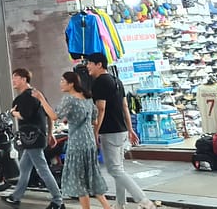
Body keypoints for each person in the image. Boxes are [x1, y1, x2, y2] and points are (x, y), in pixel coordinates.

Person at [86, 53, 157, 209]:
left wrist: (95, 131)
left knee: (114, 169)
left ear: (99, 64)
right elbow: (125, 106)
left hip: (109, 131)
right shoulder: (116, 80)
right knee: (119, 168)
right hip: (121, 130)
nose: (87, 66)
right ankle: (120, 203)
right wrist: (130, 128)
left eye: (89, 63)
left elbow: (101, 108)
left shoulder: (99, 82)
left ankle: (143, 200)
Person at [44, 72, 109, 209]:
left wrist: (41, 99)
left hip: (77, 143)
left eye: (63, 81)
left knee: (79, 181)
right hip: (89, 141)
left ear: (71, 83)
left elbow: (54, 116)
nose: (60, 83)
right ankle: (107, 207)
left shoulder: (69, 99)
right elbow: (94, 120)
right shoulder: (87, 98)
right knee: (92, 176)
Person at [1, 68, 64, 209]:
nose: (13, 80)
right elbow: (49, 115)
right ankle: (15, 197)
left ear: (24, 79)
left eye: (15, 77)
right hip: (37, 137)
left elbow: (25, 116)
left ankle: (58, 200)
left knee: (42, 169)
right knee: (24, 167)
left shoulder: (24, 98)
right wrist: (50, 133)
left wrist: (13, 113)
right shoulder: (37, 94)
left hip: (31, 139)